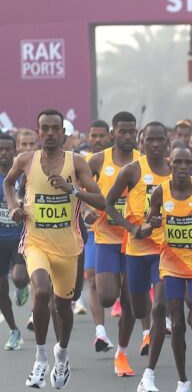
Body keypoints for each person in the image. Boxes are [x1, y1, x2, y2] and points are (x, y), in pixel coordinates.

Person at [4, 108, 105, 389]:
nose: (49, 133)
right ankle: (40, 358)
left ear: (63, 133)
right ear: (38, 133)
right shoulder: (26, 160)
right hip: (35, 242)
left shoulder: (76, 163)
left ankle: (61, 352)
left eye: (54, 129)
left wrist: (72, 190)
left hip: (67, 246)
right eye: (44, 129)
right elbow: (8, 183)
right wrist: (13, 207)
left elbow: (100, 200)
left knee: (63, 306)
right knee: (41, 291)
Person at [139, 148, 192, 392]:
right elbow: (148, 222)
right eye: (178, 162)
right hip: (171, 264)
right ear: (171, 165)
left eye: (187, 163)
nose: (182, 167)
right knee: (177, 323)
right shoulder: (160, 191)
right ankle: (183, 382)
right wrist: (151, 224)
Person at [105, 122, 170, 360]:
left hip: (166, 251)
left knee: (160, 307)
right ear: (142, 143)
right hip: (137, 250)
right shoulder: (132, 171)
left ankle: (150, 368)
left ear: (167, 142)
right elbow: (108, 204)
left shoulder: (176, 170)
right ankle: (121, 353)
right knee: (136, 308)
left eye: (159, 139)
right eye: (150, 140)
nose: (155, 144)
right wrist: (132, 228)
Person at [88, 111, 140, 376]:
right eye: (123, 131)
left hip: (135, 242)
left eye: (132, 131)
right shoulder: (98, 160)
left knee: (130, 300)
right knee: (107, 296)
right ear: (113, 134)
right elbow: (79, 189)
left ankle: (121, 352)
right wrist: (87, 211)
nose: (128, 136)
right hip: (107, 238)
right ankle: (103, 330)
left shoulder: (143, 161)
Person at [80, 120, 114, 349]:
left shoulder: (123, 161)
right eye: (94, 135)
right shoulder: (84, 164)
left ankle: (142, 333)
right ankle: (100, 332)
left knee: (122, 287)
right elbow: (74, 194)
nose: (98, 140)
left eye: (102, 136)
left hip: (121, 231)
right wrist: (85, 210)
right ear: (89, 137)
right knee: (91, 277)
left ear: (109, 136)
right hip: (94, 231)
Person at [0, 133, 29, 350]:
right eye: (0, 149)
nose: (4, 153)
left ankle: (22, 286)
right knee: (1, 290)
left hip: (20, 236)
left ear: (15, 150)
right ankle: (14, 331)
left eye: (8, 149)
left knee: (18, 278)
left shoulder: (23, 175)